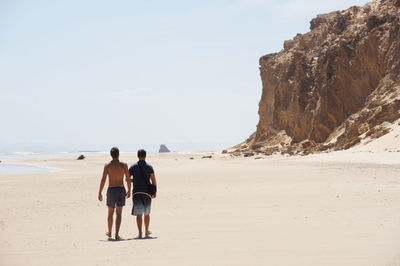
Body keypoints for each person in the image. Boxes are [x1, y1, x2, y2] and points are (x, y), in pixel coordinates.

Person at [98, 147, 131, 240]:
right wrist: (129, 190)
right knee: (119, 213)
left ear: (111, 155)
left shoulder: (107, 166)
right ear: (118, 154)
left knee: (110, 213)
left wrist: (100, 192)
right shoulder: (124, 165)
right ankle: (116, 234)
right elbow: (128, 178)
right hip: (121, 189)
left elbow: (103, 179)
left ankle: (109, 232)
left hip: (111, 190)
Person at [129, 149, 157, 238]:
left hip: (136, 192)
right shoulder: (149, 167)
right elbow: (153, 180)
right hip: (147, 193)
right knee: (147, 213)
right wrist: (154, 191)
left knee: (139, 214)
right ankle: (146, 232)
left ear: (138, 156)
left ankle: (140, 233)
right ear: (145, 156)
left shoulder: (133, 167)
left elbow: (127, 179)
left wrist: (134, 180)